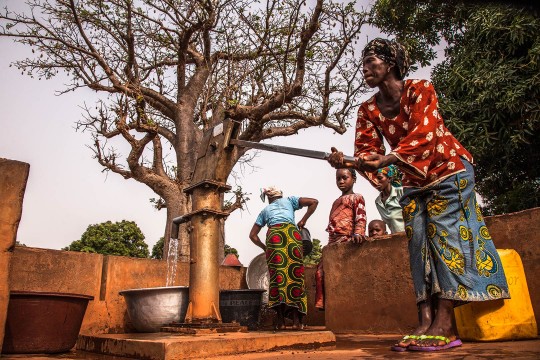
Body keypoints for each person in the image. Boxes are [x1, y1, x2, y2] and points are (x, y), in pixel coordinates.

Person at [328, 38, 509, 351]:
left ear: (392, 63)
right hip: (413, 181)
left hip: (449, 170)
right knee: (418, 246)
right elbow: (369, 153)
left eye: (373, 61)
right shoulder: (368, 109)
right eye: (364, 62)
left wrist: (387, 158)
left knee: (446, 238)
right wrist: (349, 161)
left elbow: (423, 135)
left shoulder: (420, 89)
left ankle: (446, 323)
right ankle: (425, 321)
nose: (366, 68)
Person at [249, 186, 318, 330]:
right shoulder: (290, 201)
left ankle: (280, 322)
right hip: (292, 236)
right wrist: (303, 220)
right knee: (295, 276)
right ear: (281, 196)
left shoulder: (265, 211)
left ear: (268, 198)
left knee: (277, 279)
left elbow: (253, 236)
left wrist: (265, 248)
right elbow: (314, 202)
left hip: (275, 239)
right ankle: (296, 322)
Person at [315, 168, 367, 310]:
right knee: (319, 272)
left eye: (345, 177)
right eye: (338, 179)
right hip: (332, 242)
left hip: (347, 239)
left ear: (354, 179)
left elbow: (360, 216)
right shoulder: (336, 201)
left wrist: (358, 233)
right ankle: (322, 303)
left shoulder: (357, 197)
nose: (341, 181)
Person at [375, 165, 405, 233]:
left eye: (380, 178)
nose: (377, 181)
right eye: (376, 179)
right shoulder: (378, 201)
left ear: (389, 179)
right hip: (395, 239)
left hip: (409, 237)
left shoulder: (400, 193)